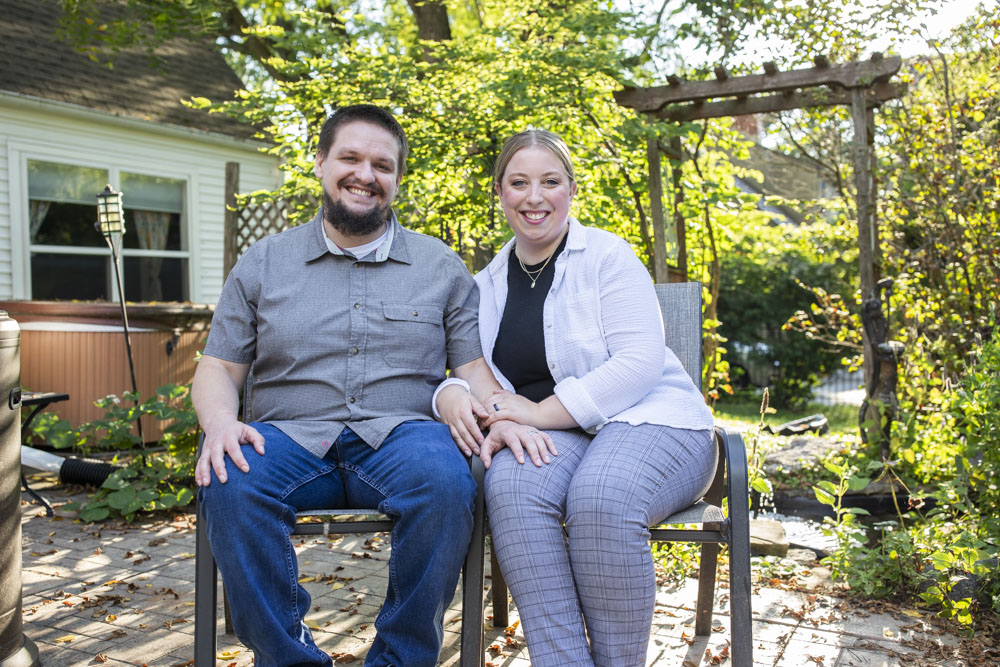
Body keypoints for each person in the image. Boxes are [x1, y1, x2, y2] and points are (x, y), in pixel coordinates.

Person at [193, 104, 542, 667]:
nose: (365, 174)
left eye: (382, 164)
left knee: (448, 479)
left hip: (403, 437)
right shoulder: (263, 263)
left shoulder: (440, 267)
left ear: (397, 179)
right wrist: (219, 424)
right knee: (229, 476)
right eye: (350, 157)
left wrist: (511, 414)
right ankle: (289, 660)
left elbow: (473, 370)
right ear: (320, 164)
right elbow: (219, 367)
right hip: (287, 436)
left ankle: (400, 660)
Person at [436, 129, 718, 667]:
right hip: (561, 440)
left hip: (652, 423)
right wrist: (454, 395)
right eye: (519, 183)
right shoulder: (484, 285)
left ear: (571, 190)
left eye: (550, 182)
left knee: (602, 497)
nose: (534, 197)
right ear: (500, 193)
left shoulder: (607, 257)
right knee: (512, 485)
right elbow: (461, 369)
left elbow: (638, 363)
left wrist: (540, 412)